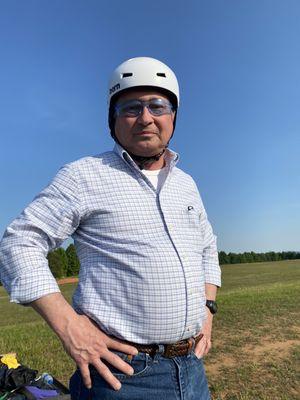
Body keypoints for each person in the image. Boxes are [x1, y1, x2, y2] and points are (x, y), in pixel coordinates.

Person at [0, 57, 221, 400]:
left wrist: (208, 307)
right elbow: (18, 242)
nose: (146, 118)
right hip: (122, 377)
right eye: (131, 107)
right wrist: (69, 326)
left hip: (192, 370)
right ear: (112, 119)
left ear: (173, 116)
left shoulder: (186, 184)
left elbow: (207, 247)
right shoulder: (84, 175)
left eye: (157, 105)